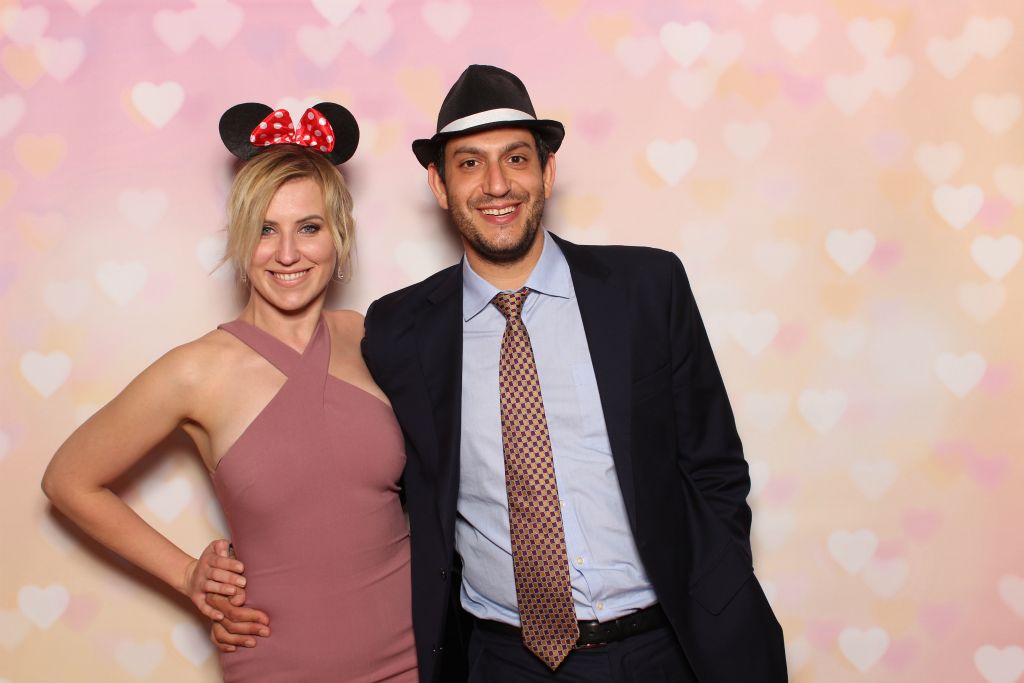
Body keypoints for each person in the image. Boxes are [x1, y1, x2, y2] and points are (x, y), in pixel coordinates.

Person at [213, 66, 788, 682]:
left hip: (669, 645)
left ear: (547, 172)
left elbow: (714, 463)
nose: (496, 184)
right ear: (439, 184)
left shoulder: (646, 287)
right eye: (469, 164)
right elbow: (347, 468)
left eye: (516, 158)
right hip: (506, 660)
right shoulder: (399, 330)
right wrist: (229, 570)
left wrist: (719, 586)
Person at [41, 102, 418, 683]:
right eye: (265, 230)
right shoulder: (196, 371)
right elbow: (67, 479)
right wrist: (185, 574)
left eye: (309, 227)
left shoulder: (370, 336)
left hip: (414, 655)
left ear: (339, 234)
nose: (287, 253)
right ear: (241, 240)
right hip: (277, 663)